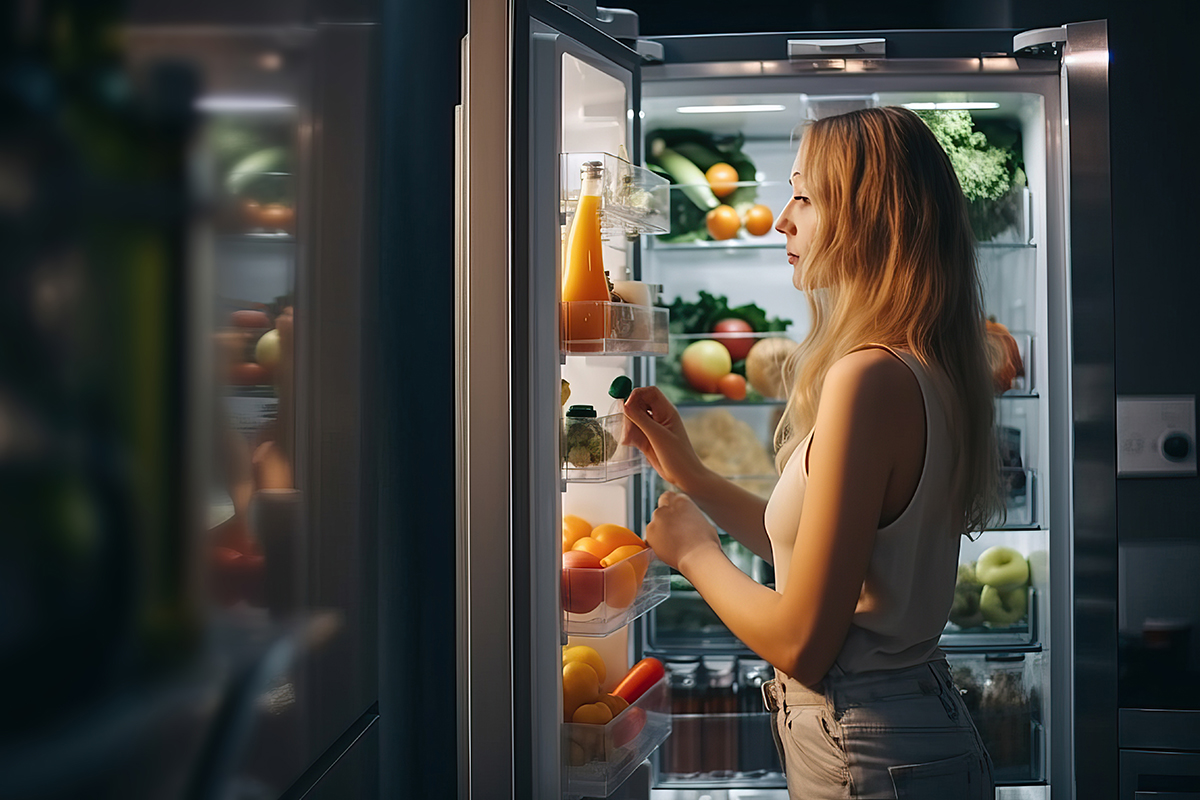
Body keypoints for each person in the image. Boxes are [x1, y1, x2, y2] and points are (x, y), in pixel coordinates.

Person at [623, 106, 1000, 799]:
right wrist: (694, 476)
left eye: (804, 195)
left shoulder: (870, 378)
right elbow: (825, 556)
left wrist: (694, 553)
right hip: (901, 727)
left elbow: (803, 641)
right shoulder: (917, 363)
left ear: (870, 217)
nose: (780, 220)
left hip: (869, 749)